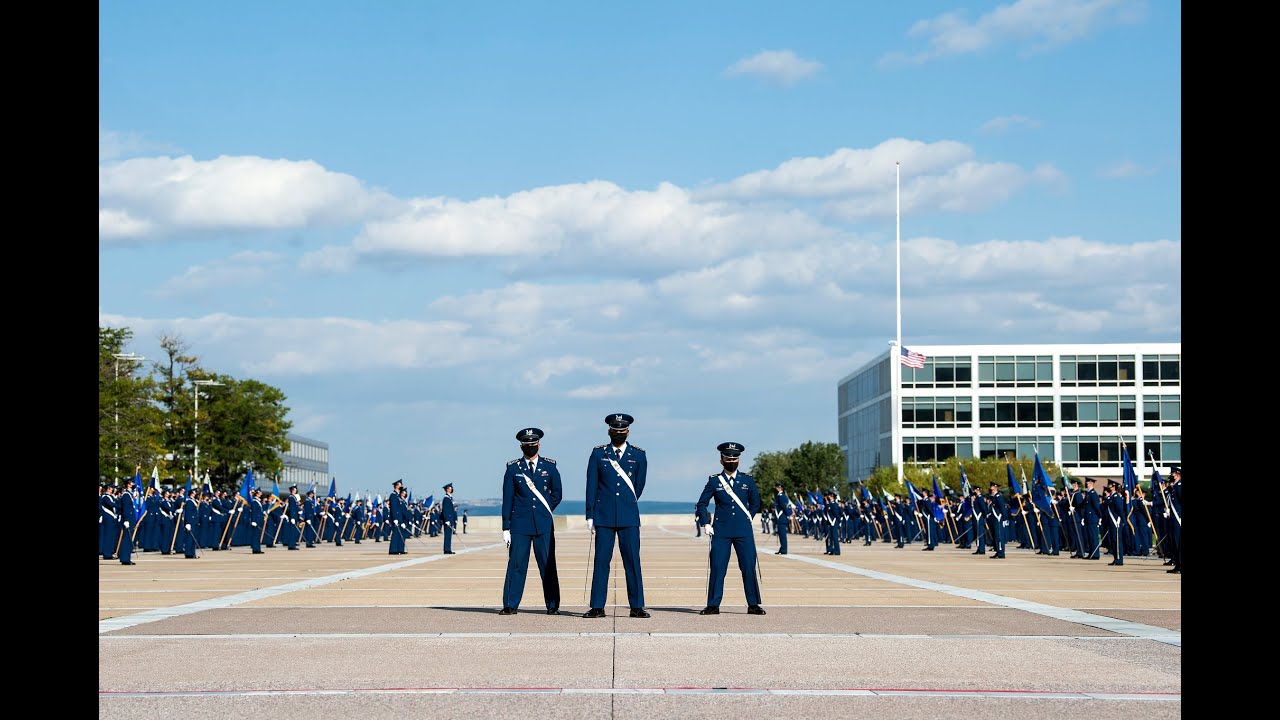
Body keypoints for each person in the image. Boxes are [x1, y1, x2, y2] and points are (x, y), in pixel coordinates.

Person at [584, 413, 649, 619]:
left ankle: (636, 606)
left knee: (632, 561)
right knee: (601, 561)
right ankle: (597, 606)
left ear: (627, 432)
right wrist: (590, 514)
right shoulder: (598, 454)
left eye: (622, 431)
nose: (618, 433)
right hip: (603, 516)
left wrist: (625, 504)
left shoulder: (638, 455)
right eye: (615, 430)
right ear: (609, 431)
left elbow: (638, 486)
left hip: (628, 516)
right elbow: (591, 485)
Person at [499, 427, 564, 615]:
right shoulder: (513, 469)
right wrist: (506, 526)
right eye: (527, 445)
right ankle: (511, 604)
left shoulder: (550, 467)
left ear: (539, 445)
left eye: (533, 444)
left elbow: (557, 494)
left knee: (548, 564)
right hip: (519, 525)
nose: (530, 447)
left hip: (543, 524)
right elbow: (508, 498)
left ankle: (552, 605)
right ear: (521, 446)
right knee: (516, 565)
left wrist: (544, 510)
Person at [695, 442, 765, 616]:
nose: (731, 461)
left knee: (748, 566)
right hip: (721, 531)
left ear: (739, 460)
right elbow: (702, 504)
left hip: (743, 531)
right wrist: (706, 523)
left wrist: (747, 517)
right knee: (718, 567)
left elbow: (756, 503)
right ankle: (713, 605)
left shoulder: (747, 480)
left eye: (734, 458)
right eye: (728, 458)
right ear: (721, 460)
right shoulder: (714, 481)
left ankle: (753, 604)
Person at [117, 479, 138, 565]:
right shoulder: (126, 495)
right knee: (126, 539)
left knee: (128, 539)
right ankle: (125, 558)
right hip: (127, 519)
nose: (134, 484)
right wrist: (126, 520)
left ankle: (126, 557)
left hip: (130, 519)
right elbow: (125, 508)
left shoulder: (129, 495)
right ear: (128, 485)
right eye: (132, 483)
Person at [1105, 481, 1126, 566]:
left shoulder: (1116, 497)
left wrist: (1123, 520)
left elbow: (1120, 510)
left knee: (1117, 541)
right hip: (1111, 522)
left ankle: (1119, 559)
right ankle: (1115, 558)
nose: (1108, 487)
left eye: (1110, 486)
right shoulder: (1111, 497)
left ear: (1113, 487)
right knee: (1113, 541)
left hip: (1116, 522)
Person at [1165, 465, 1181, 573]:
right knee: (1175, 541)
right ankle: (1178, 564)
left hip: (1178, 518)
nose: (1171, 476)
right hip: (1174, 518)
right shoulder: (1174, 487)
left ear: (1177, 474)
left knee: (1178, 541)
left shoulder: (1179, 486)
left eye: (1173, 474)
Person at [986, 483, 1007, 559]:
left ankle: (1001, 552)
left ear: (995, 487)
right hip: (994, 519)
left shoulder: (998, 497)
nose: (990, 488)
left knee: (999, 536)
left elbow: (1002, 508)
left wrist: (1005, 518)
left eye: (991, 486)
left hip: (998, 518)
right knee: (995, 536)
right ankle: (998, 551)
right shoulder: (994, 497)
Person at [772, 482, 791, 555]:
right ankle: (782, 548)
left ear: (780, 488)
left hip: (782, 518)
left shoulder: (781, 496)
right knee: (781, 534)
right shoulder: (779, 496)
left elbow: (784, 507)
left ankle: (784, 549)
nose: (776, 489)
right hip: (780, 518)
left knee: (782, 535)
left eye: (777, 487)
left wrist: (789, 515)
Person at [442, 483, 458, 554]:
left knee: (449, 535)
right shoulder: (446, 499)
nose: (451, 490)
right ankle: (446, 549)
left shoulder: (450, 498)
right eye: (449, 488)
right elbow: (445, 510)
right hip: (448, 520)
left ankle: (448, 549)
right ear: (447, 490)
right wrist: (447, 520)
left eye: (451, 489)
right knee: (447, 535)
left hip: (450, 519)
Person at [248, 488, 265, 553]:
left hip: (259, 520)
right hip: (256, 520)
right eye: (260, 493)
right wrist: (253, 521)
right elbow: (254, 512)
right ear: (257, 494)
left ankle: (257, 548)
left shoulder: (258, 501)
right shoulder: (254, 501)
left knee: (258, 535)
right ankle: (255, 549)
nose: (261, 494)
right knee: (255, 535)